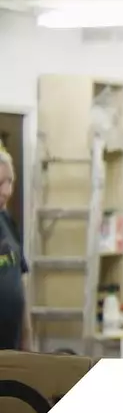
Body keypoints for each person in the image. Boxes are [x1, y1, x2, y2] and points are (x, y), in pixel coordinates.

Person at [0, 149, 30, 351]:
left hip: (12, 353)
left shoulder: (8, 221)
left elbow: (20, 282)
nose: (7, 191)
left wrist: (28, 343)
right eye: (0, 183)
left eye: (10, 182)